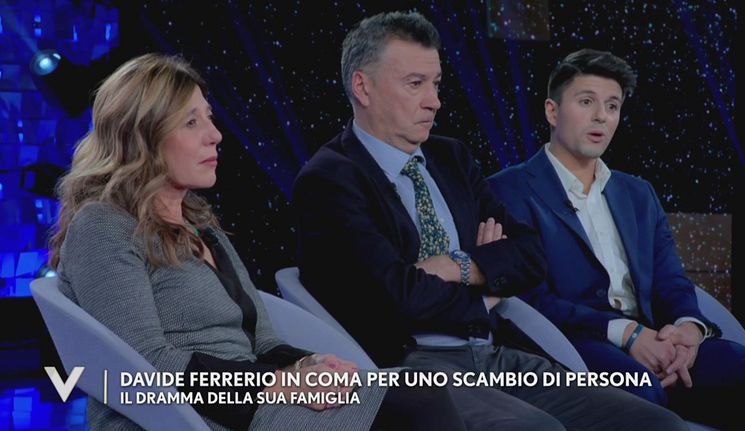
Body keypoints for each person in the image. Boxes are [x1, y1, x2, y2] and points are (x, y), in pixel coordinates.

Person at [294, 12, 688, 431]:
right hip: (414, 367)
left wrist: (460, 266)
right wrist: (485, 291)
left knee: (658, 425)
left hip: (496, 352)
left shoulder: (451, 157)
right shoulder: (330, 179)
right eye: (415, 84)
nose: (434, 101)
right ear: (362, 87)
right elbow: (398, 298)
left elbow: (530, 256)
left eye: (436, 84)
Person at [48, 53, 467, 431]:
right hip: (188, 414)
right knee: (417, 405)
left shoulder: (202, 226)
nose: (215, 135)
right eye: (191, 123)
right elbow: (143, 365)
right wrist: (280, 384)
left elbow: (261, 342)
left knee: (422, 392)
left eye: (209, 118)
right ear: (142, 136)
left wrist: (312, 364)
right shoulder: (103, 226)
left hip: (255, 399)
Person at [488, 48, 745, 429]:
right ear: (552, 111)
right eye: (587, 102)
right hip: (578, 341)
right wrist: (628, 334)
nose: (601, 116)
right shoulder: (508, 191)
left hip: (658, 335)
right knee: (643, 392)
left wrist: (687, 330)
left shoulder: (637, 193)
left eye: (612, 106)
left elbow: (671, 280)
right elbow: (527, 298)